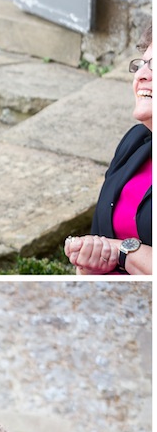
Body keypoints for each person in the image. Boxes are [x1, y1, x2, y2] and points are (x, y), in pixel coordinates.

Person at [65, 27, 152, 277]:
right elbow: (98, 246)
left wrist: (122, 253)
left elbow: (113, 251)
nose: (142, 75)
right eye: (141, 65)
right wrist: (87, 257)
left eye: (154, 66)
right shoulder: (135, 142)